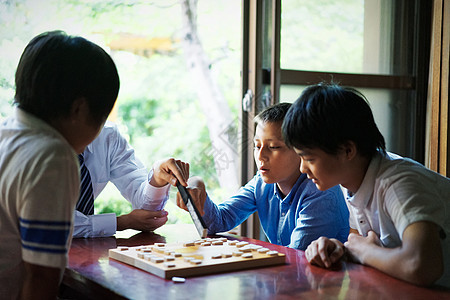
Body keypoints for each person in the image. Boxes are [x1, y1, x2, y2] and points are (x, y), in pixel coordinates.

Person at [282, 83, 450, 287]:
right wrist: (339, 250)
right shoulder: (352, 180)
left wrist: (364, 251)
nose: (302, 169)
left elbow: (423, 266)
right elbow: (358, 240)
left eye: (308, 158)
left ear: (347, 151)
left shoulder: (397, 184)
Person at [176, 103, 349, 250]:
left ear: (301, 151)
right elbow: (219, 221)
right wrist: (197, 185)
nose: (260, 156)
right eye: (257, 146)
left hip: (319, 286)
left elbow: (297, 257)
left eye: (273, 147)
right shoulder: (262, 183)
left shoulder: (321, 193)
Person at [73, 121, 188, 238]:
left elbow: (146, 211)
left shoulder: (108, 136)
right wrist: (122, 222)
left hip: (87, 250)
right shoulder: (54, 144)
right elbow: (56, 223)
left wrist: (157, 180)